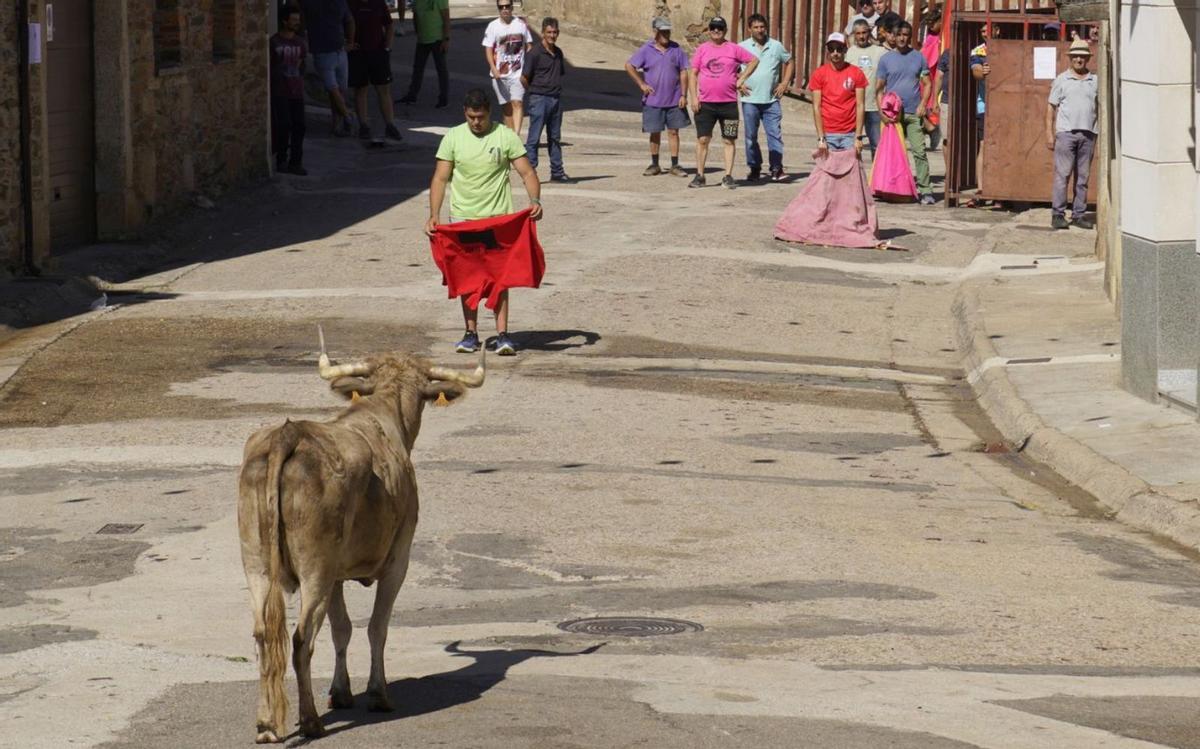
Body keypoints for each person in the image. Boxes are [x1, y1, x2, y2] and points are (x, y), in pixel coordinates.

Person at [425, 89, 543, 356]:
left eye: (480, 117)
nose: (476, 122)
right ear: (464, 114)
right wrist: (434, 214)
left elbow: (527, 172)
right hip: (463, 219)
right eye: (471, 117)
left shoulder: (504, 135)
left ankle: (503, 335)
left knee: (500, 279)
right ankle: (470, 334)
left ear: (489, 112)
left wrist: (535, 200)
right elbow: (440, 178)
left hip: (497, 221)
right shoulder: (453, 137)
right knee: (467, 279)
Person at [688, 16, 758, 189]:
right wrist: (693, 97)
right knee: (703, 139)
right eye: (713, 28)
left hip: (728, 104)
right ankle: (700, 175)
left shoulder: (734, 49)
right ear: (709, 30)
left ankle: (728, 176)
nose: (716, 31)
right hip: (706, 104)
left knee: (729, 140)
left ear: (725, 30)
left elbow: (754, 61)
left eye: (719, 28)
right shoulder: (702, 49)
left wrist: (742, 78)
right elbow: (693, 74)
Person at [875, 20, 934, 204]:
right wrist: (881, 112)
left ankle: (925, 190)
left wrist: (923, 104)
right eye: (898, 34)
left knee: (919, 152)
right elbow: (878, 89)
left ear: (910, 36)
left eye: (905, 35)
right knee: (891, 154)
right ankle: (890, 189)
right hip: (892, 115)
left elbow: (928, 83)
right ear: (892, 36)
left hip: (913, 113)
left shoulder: (919, 57)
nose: (901, 38)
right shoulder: (885, 59)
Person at [625, 16, 691, 177]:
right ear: (655, 31)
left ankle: (675, 165)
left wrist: (683, 94)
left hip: (674, 99)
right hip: (653, 100)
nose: (666, 34)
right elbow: (629, 65)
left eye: (668, 31)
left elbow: (683, 71)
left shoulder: (676, 49)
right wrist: (642, 85)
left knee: (674, 132)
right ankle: (655, 164)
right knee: (654, 132)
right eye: (663, 31)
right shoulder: (646, 49)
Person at [1045, 39, 1098, 230]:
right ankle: (1057, 214)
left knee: (1083, 177)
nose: (1079, 59)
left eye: (1082, 56)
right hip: (1066, 134)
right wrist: (1049, 134)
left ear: (1087, 59)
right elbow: (1051, 107)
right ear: (1070, 58)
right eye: (1075, 56)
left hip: (1089, 134)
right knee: (1062, 175)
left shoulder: (1095, 80)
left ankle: (1078, 214)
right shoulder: (1062, 79)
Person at [739, 13, 794, 181]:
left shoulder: (776, 46)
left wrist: (784, 83)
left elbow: (790, 61)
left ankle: (776, 168)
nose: (759, 30)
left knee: (774, 135)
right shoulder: (741, 46)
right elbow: (731, 66)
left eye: (762, 27)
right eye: (755, 27)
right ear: (749, 29)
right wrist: (738, 83)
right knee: (750, 137)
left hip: (771, 100)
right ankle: (754, 167)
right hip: (749, 100)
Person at [522, 17, 569, 182]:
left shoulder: (558, 53)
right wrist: (534, 93)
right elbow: (524, 77)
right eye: (549, 32)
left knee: (555, 137)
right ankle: (530, 173)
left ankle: (557, 171)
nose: (552, 35)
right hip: (539, 98)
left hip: (556, 99)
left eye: (555, 32)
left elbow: (559, 74)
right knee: (534, 138)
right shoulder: (534, 53)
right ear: (542, 32)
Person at [301, 0, 357, 136]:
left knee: (336, 90)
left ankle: (337, 124)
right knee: (334, 89)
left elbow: (350, 21)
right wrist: (350, 41)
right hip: (330, 51)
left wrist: (350, 42)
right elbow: (350, 21)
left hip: (333, 51)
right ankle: (346, 115)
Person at [348, 0, 401, 140]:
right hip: (358, 54)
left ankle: (390, 125)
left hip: (378, 52)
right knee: (360, 89)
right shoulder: (350, 4)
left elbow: (389, 25)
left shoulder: (378, 3)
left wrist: (387, 48)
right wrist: (348, 43)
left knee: (383, 89)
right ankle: (363, 126)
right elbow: (342, 24)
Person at [810, 32, 867, 158]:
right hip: (828, 132)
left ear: (845, 50)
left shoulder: (856, 73)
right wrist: (821, 138)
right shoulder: (819, 74)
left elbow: (860, 105)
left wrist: (858, 136)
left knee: (851, 173)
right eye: (831, 49)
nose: (835, 53)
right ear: (828, 51)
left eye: (839, 49)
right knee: (827, 174)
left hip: (850, 133)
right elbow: (816, 107)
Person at [482, 1, 533, 136]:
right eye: (501, 7)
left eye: (507, 6)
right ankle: (511, 136)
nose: (504, 9)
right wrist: (493, 68)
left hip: (518, 74)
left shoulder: (521, 24)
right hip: (499, 75)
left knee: (517, 103)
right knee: (506, 108)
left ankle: (516, 136)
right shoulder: (493, 26)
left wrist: (527, 68)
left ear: (512, 7)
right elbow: (488, 49)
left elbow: (529, 46)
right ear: (498, 8)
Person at [270, 6, 308, 175]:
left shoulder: (301, 43)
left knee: (299, 126)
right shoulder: (274, 42)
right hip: (279, 90)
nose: (296, 23)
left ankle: (296, 162)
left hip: (296, 90)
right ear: (284, 21)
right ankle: (281, 160)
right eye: (293, 20)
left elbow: (301, 64)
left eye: (298, 20)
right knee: (283, 125)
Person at [398, 0, 450, 108]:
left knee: (441, 70)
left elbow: (446, 18)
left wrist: (446, 39)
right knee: (418, 68)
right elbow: (415, 17)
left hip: (438, 39)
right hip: (422, 40)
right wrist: (418, 33)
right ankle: (412, 95)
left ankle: (443, 98)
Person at [850, 19, 887, 155]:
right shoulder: (848, 53)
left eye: (864, 32)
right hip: (853, 107)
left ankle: (877, 176)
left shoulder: (880, 51)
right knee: (851, 145)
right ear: (854, 34)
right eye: (858, 33)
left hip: (874, 107)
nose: (861, 36)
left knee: (877, 146)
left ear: (869, 33)